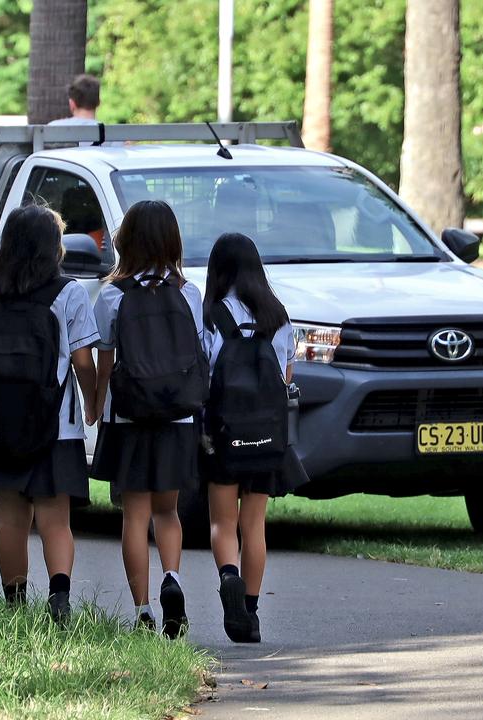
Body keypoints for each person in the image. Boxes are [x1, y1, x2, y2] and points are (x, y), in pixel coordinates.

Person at [0, 204, 99, 626]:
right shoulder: (69, 293)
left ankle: (14, 604)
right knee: (55, 520)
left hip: (0, 426)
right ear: (52, 249)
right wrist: (93, 402)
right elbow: (82, 360)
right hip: (54, 426)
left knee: (11, 519)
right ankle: (59, 602)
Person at [91, 200, 207, 637]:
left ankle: (142, 610)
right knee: (169, 512)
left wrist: (97, 405)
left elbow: (106, 361)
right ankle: (172, 578)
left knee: (134, 516)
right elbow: (195, 355)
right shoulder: (188, 293)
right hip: (177, 416)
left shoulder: (112, 295)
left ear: (127, 241)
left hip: (131, 416)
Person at [201, 233, 309, 643]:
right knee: (254, 524)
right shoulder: (278, 316)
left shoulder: (211, 314)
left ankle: (228, 575)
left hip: (224, 435)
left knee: (222, 522)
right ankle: (251, 611)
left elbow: (205, 375)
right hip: (267, 438)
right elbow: (286, 379)